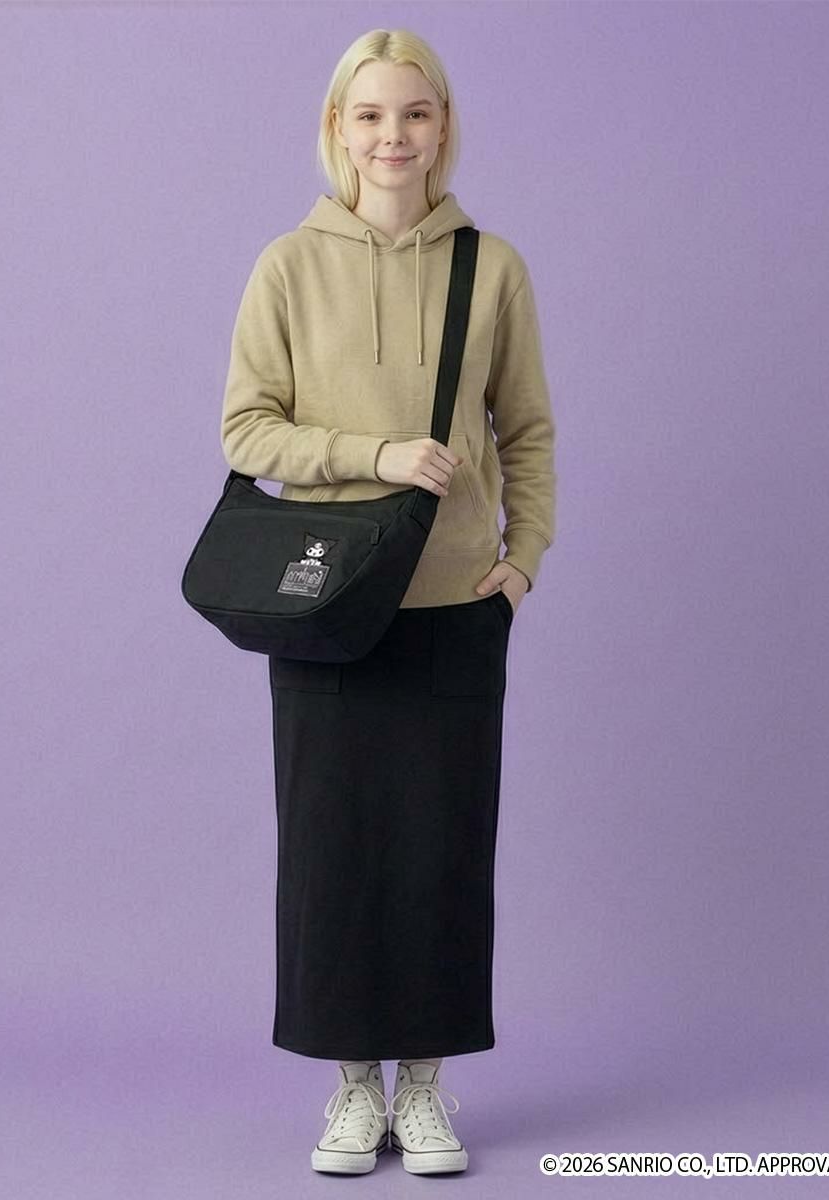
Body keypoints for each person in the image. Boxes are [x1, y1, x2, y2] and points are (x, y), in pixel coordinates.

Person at [219, 29, 556, 1176]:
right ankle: (353, 1089)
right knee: (334, 853)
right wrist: (374, 453)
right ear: (337, 129)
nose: (392, 136)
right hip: (325, 606)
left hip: (456, 608)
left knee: (442, 854)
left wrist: (523, 561)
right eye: (369, 115)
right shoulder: (286, 267)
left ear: (442, 124)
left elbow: (528, 431)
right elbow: (247, 430)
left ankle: (424, 1087)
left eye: (414, 113)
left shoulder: (491, 268)